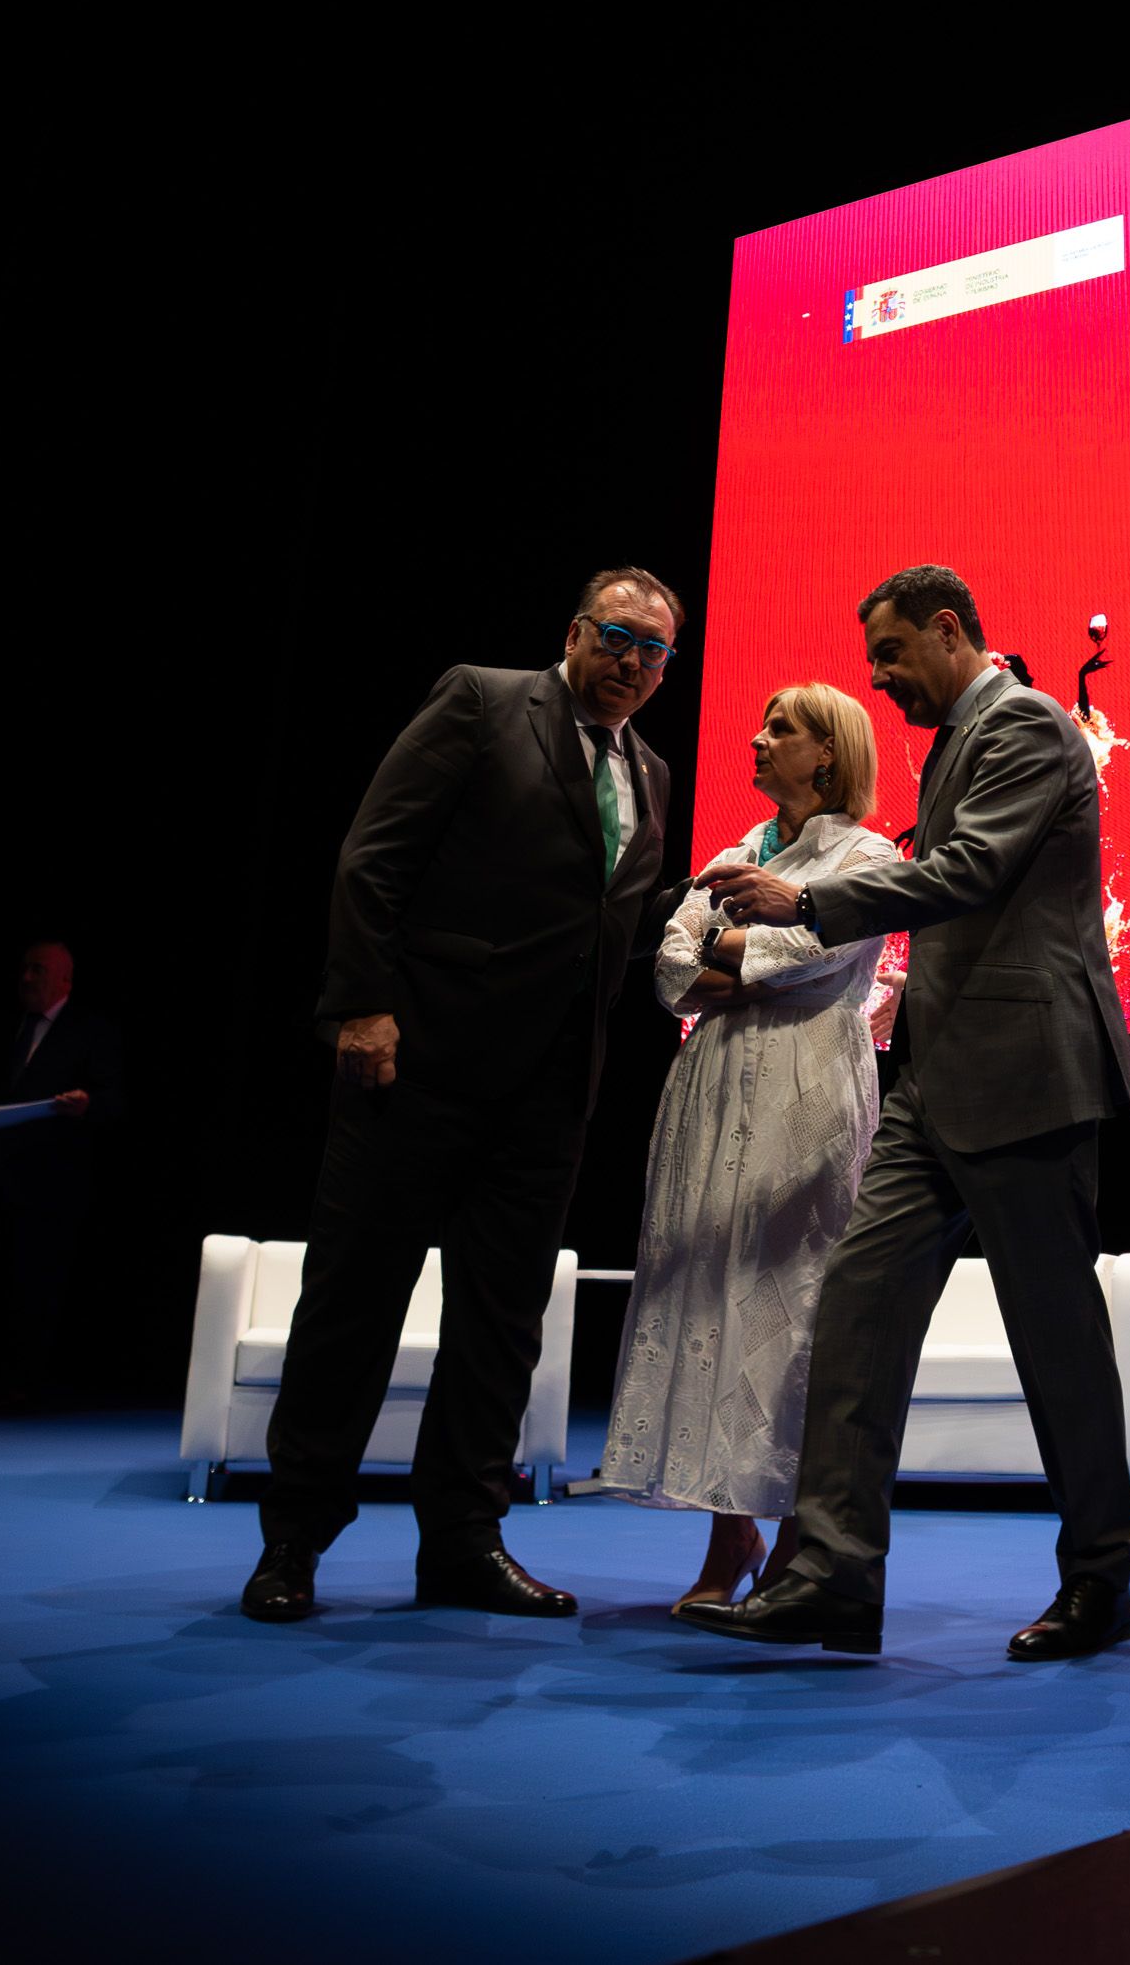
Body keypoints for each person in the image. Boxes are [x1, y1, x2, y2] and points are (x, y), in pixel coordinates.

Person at [683, 564, 1130, 1662]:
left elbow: (970, 871)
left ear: (948, 631)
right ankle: (833, 1577)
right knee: (857, 1306)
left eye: (889, 655)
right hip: (934, 1083)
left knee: (1054, 1343)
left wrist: (811, 900)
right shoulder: (961, 739)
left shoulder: (1026, 724)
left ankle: (1099, 1583)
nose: (879, 681)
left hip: (1029, 1076)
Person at [241, 566, 685, 1626]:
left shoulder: (652, 772)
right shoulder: (484, 701)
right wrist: (362, 1005)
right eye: (617, 637)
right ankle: (294, 1538)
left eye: (654, 651)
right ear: (576, 630)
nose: (632, 663)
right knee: (354, 1302)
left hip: (547, 1091)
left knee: (501, 1326)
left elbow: (598, 919)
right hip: (418, 1063)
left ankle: (463, 1543)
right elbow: (372, 860)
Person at [599, 682, 895, 1617]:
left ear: (828, 753)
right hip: (714, 1085)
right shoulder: (733, 852)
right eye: (761, 724)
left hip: (808, 1086)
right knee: (704, 1294)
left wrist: (736, 950)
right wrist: (737, 952)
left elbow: (817, 956)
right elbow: (672, 968)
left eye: (782, 730)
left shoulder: (867, 852)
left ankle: (802, 1542)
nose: (757, 739)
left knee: (795, 1307)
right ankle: (729, 1533)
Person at [0, 939, 124, 1408]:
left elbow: (115, 1102)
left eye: (38, 970)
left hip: (50, 1179)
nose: (26, 978)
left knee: (35, 1284)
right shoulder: (1, 1025)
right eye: (24, 969)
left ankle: (21, 1386)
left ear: (64, 980)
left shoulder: (91, 1032)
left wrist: (85, 1106)